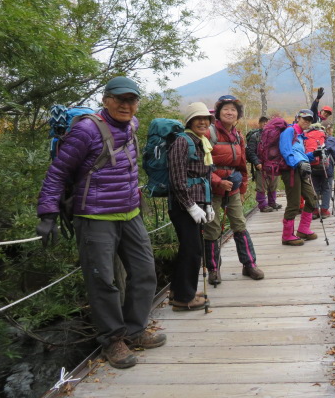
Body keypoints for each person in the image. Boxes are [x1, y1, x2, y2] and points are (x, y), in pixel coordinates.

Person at [36, 76, 165, 369]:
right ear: (106, 100)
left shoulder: (132, 125)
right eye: (120, 99)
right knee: (103, 281)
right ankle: (112, 340)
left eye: (131, 100)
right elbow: (58, 172)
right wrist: (47, 214)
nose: (126, 105)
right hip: (94, 217)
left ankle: (134, 331)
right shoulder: (85, 130)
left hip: (130, 213)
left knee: (144, 273)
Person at [204, 95, 264, 284]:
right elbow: (201, 165)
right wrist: (217, 181)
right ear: (218, 113)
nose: (229, 112)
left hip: (233, 188)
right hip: (212, 188)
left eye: (233, 110)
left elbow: (241, 165)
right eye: (226, 109)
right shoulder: (209, 133)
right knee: (212, 229)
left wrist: (243, 187)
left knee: (239, 224)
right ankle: (213, 269)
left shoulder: (238, 136)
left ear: (238, 114)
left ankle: (249, 265)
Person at [167, 102, 214, 311]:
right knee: (193, 250)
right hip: (183, 206)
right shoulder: (182, 142)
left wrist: (208, 204)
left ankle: (178, 292)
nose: (203, 122)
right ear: (189, 121)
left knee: (189, 248)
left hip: (198, 203)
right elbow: (177, 180)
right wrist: (191, 206)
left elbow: (205, 177)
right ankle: (184, 299)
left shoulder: (202, 142)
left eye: (206, 118)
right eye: (198, 118)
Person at [279, 109, 323, 246]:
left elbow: (300, 155)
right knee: (294, 203)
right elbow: (285, 151)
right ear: (297, 118)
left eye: (309, 120)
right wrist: (297, 164)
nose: (307, 122)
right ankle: (287, 236)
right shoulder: (289, 131)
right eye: (304, 119)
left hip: (301, 169)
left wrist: (313, 154)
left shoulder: (301, 136)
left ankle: (303, 230)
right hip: (291, 170)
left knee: (312, 199)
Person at [246, 116, 282, 212]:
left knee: (273, 185)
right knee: (261, 187)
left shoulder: (274, 135)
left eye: (267, 122)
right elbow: (251, 152)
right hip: (261, 165)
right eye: (263, 122)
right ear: (259, 124)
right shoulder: (255, 136)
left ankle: (272, 202)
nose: (265, 123)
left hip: (273, 165)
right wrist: (257, 163)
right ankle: (262, 205)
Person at [310, 123, 335, 219]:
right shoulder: (330, 139)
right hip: (326, 168)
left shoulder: (309, 138)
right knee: (326, 188)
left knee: (314, 188)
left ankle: (315, 210)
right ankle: (324, 210)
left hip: (313, 167)